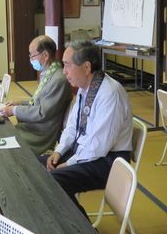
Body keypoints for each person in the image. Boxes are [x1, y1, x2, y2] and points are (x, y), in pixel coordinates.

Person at [41, 40, 132, 215]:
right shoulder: (85, 88)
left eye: (67, 65)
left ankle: (82, 230)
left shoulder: (110, 93)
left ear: (87, 67)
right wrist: (58, 152)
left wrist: (69, 163)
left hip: (108, 161)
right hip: (85, 151)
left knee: (55, 180)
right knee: (39, 165)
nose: (64, 71)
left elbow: (99, 145)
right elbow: (72, 127)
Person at [0, 36, 72, 155]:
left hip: (39, 134)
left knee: (2, 141)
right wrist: (18, 103)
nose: (31, 59)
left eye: (32, 55)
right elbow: (38, 102)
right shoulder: (48, 73)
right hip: (33, 126)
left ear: (45, 55)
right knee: (0, 133)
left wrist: (14, 110)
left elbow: (42, 112)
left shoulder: (58, 79)